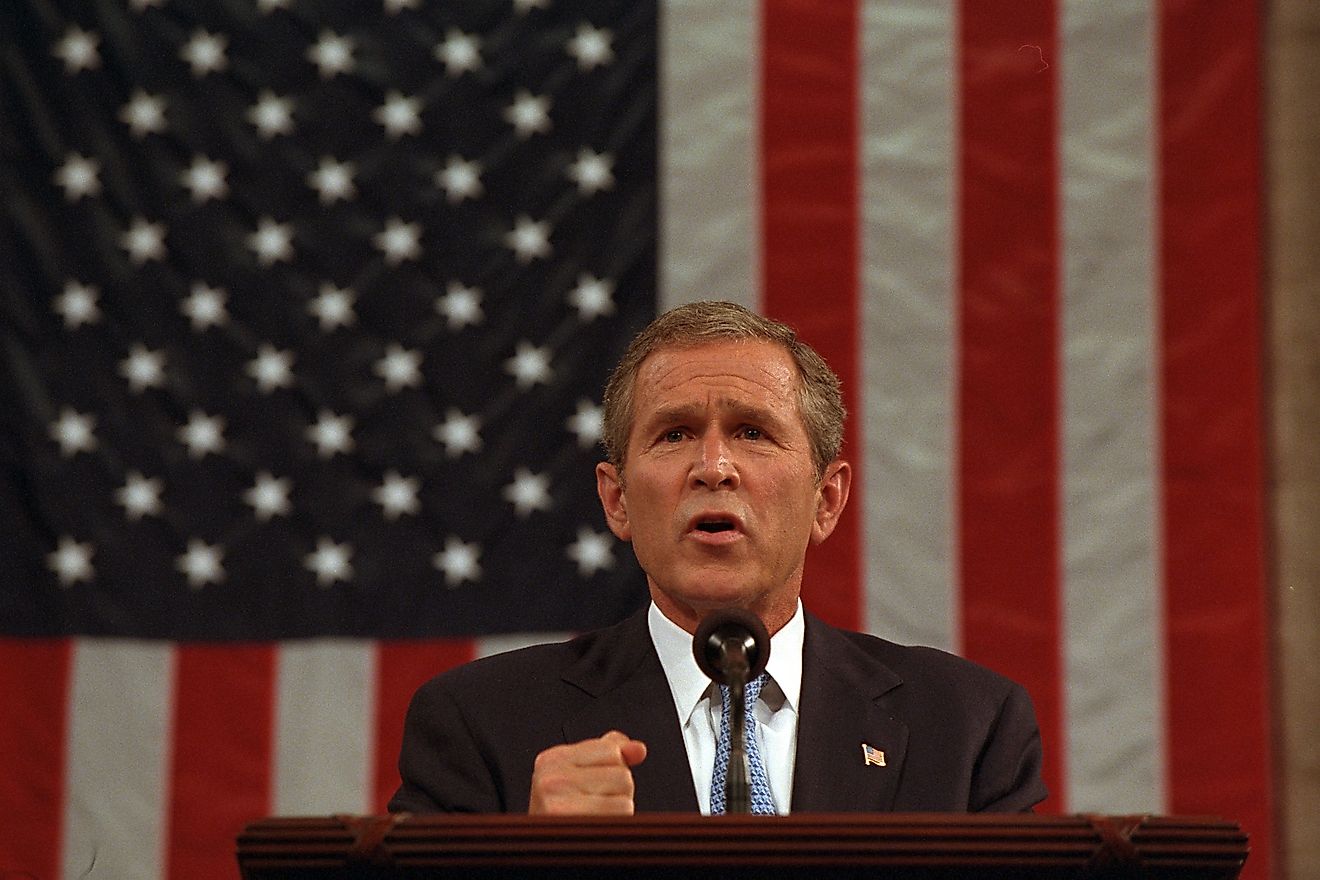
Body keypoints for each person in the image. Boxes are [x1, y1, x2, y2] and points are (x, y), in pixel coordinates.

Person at [389, 301, 1047, 815]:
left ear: (827, 499)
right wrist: (524, 863)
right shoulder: (483, 725)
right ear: (616, 501)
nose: (714, 467)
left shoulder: (966, 729)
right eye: (674, 434)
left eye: (752, 433)